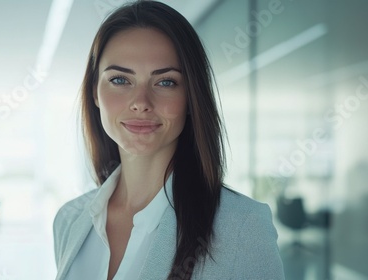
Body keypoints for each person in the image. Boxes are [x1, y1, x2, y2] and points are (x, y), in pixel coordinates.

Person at [53, 1, 284, 279]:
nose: (140, 102)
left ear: (191, 97)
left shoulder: (243, 226)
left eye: (165, 82)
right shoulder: (69, 220)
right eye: (119, 80)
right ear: (94, 92)